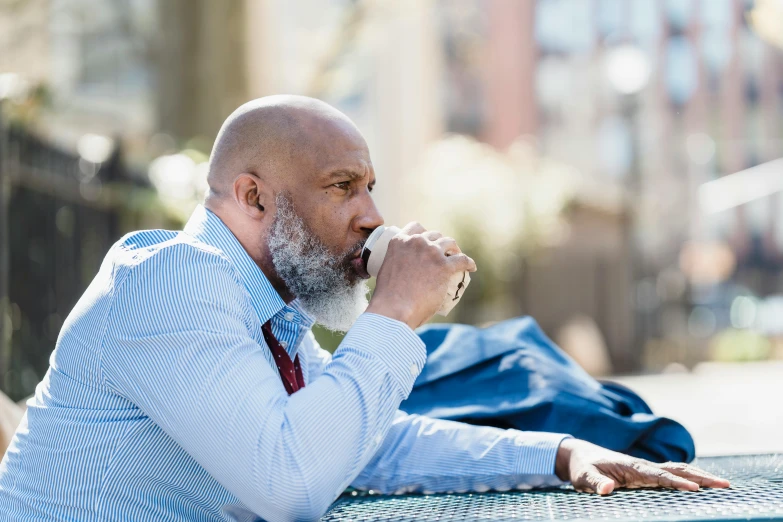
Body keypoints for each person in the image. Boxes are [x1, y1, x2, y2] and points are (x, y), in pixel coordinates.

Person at [0, 96, 729, 521]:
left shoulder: (262, 307)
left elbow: (369, 444)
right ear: (253, 196)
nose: (372, 216)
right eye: (342, 186)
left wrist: (561, 454)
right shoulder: (170, 278)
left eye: (370, 187)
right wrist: (393, 311)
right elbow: (289, 481)